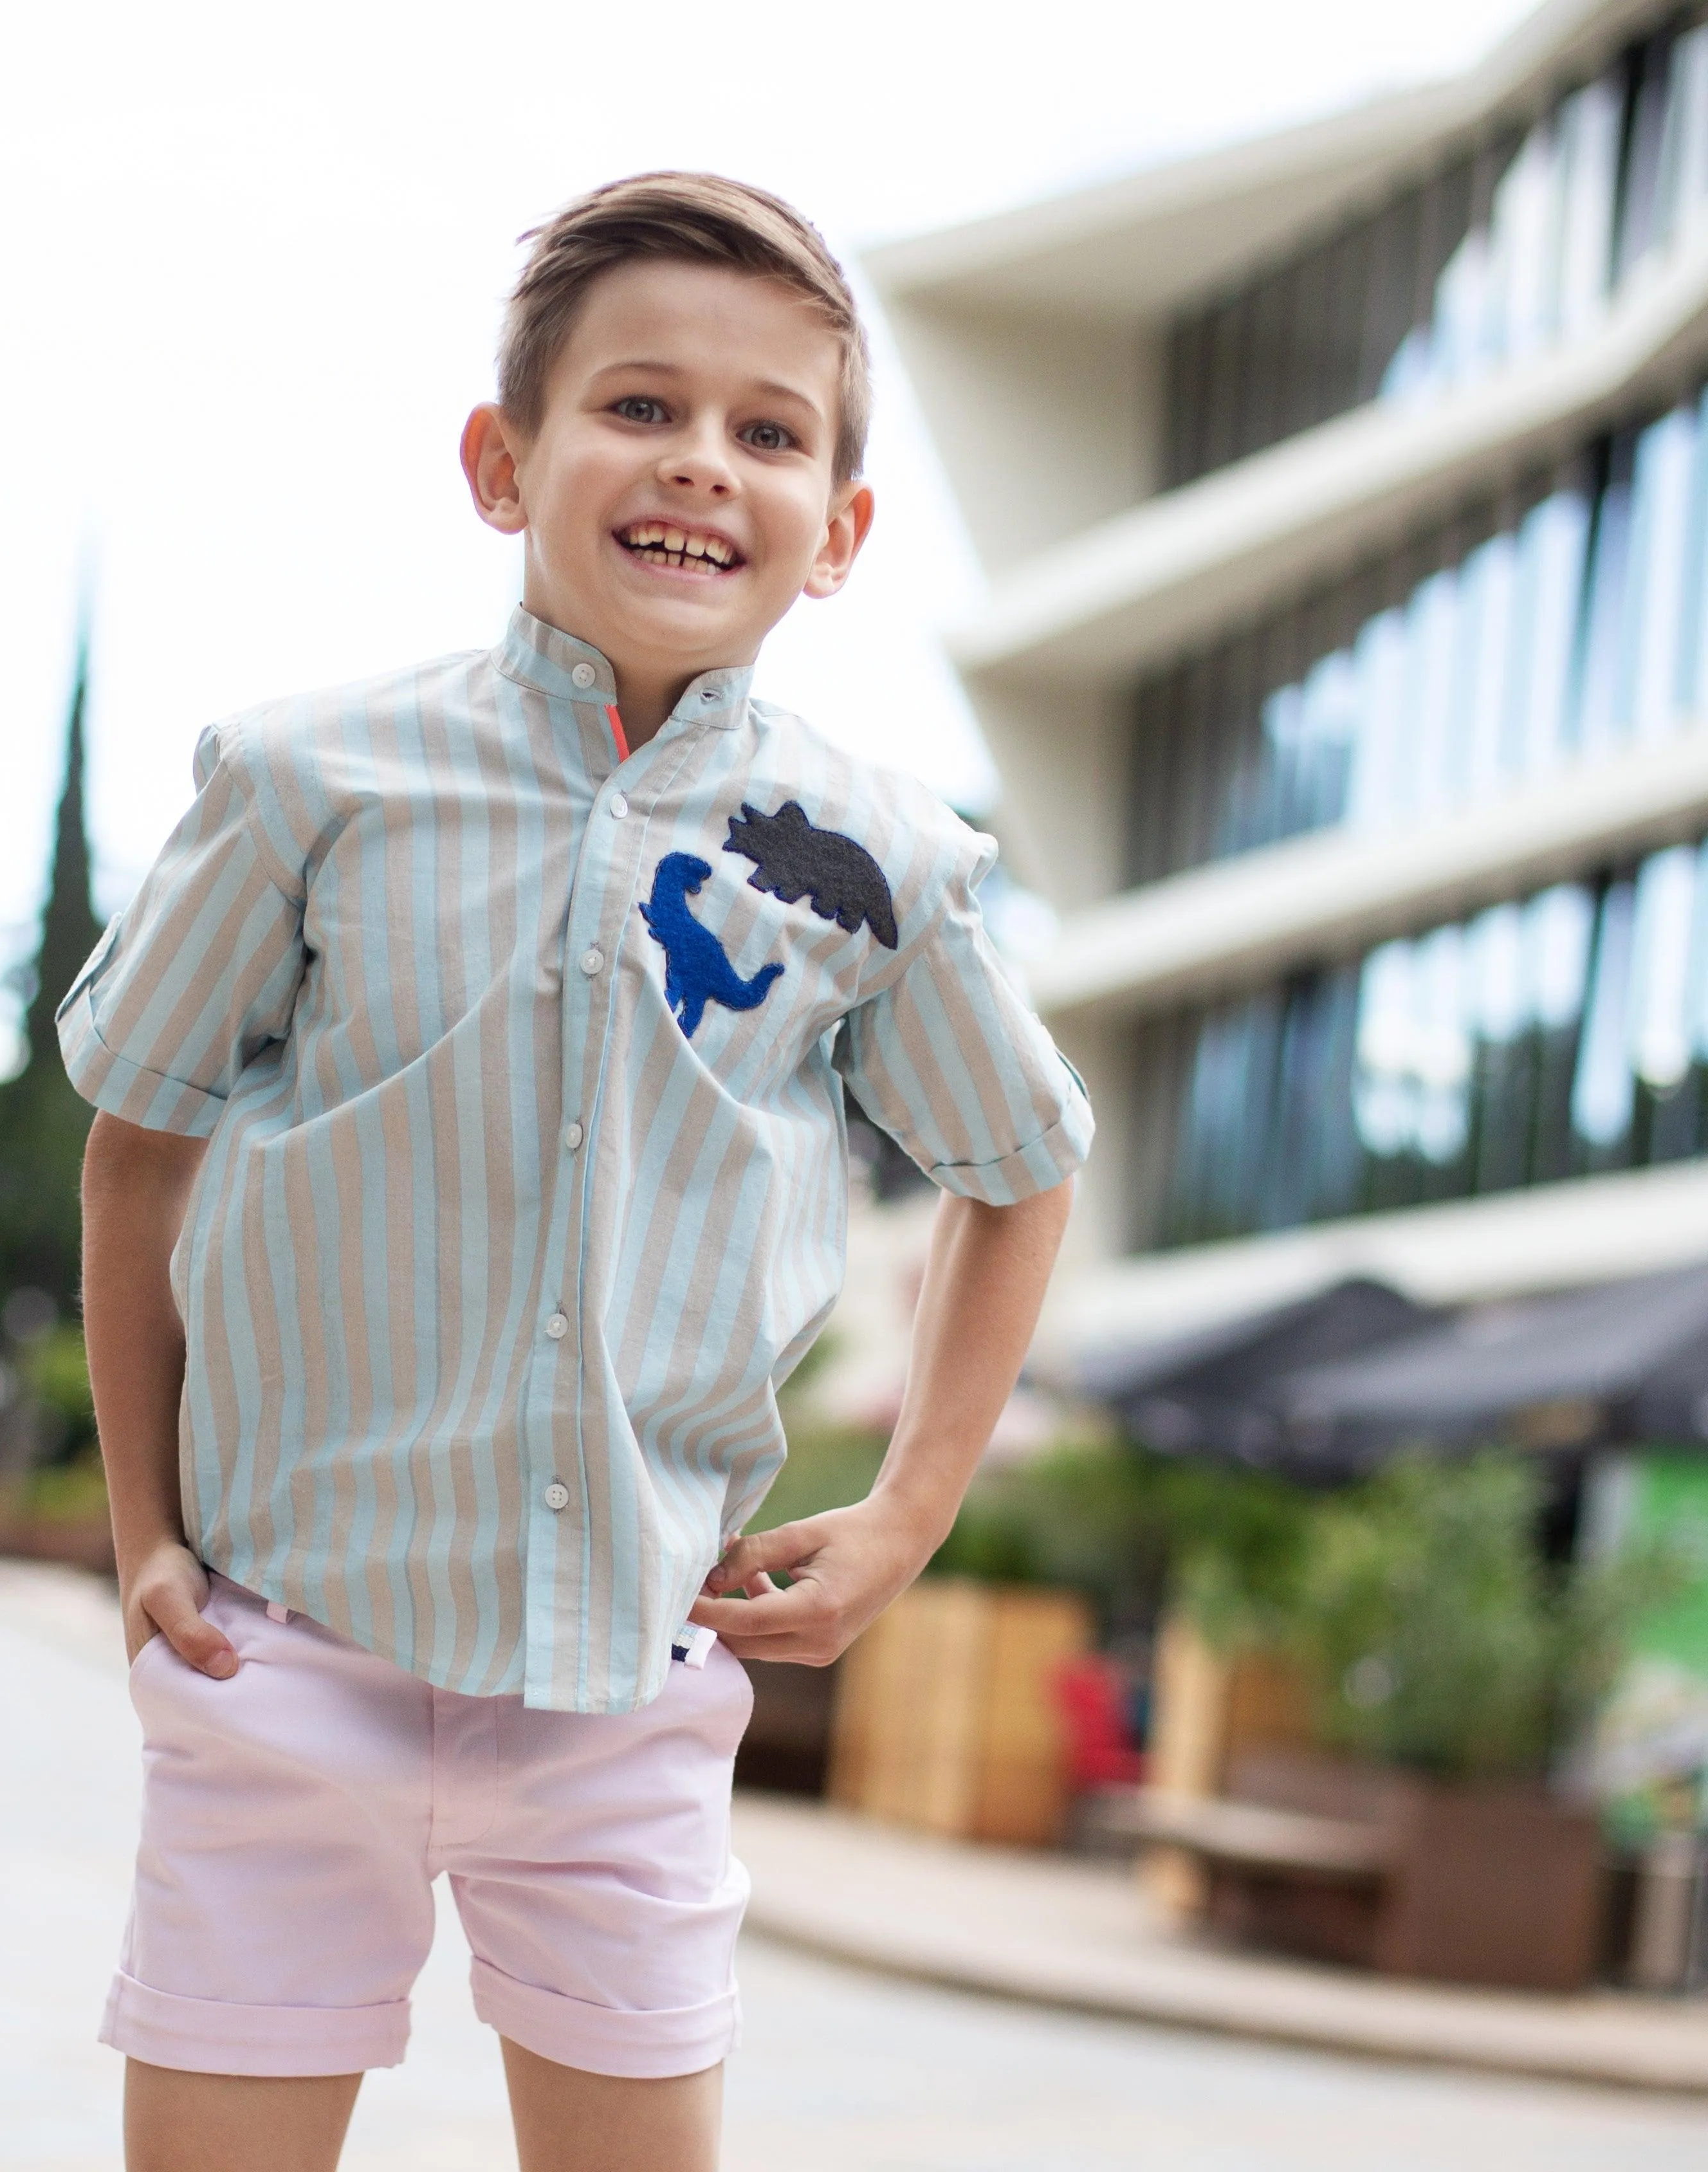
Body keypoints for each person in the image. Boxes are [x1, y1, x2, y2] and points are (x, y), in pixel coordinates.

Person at [66, 172, 1093, 2172]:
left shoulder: (887, 863)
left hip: (634, 1685)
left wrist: (907, 1515)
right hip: (285, 1650)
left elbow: (1020, 1168)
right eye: (641, 406)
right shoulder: (306, 783)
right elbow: (140, 1149)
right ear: (502, 459)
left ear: (839, 532)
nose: (701, 464)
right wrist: (139, 1532)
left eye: (768, 432)